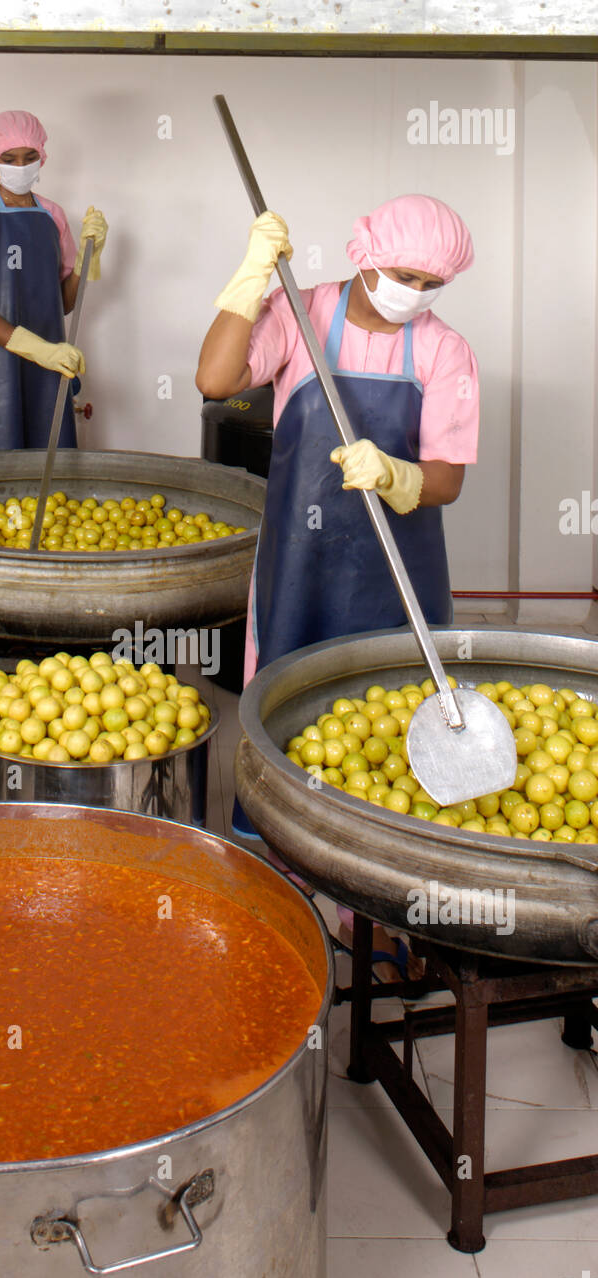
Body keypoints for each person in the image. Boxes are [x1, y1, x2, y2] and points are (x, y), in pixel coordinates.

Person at [196, 194, 478, 981]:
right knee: (281, 704)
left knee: (387, 717)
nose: (412, 291)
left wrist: (395, 473)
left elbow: (448, 480)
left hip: (399, 569)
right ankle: (271, 879)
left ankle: (375, 902)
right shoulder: (304, 309)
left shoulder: (446, 352)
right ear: (365, 254)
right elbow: (215, 378)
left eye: (429, 281)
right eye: (401, 273)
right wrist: (249, 281)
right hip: (300, 560)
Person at [0, 108, 108, 456]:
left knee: (47, 467)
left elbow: (62, 303)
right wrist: (40, 351)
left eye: (29, 157)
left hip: (47, 365)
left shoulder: (53, 215)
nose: (20, 167)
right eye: (9, 158)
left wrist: (84, 263)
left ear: (42, 158)